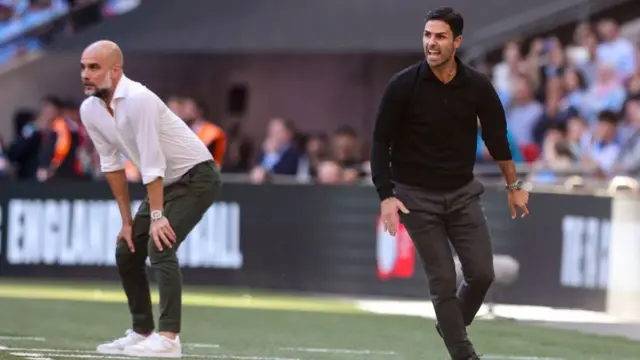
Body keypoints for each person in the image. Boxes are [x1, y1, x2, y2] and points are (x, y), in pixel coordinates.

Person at [369, 7, 529, 360]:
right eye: (427, 35)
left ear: (456, 41)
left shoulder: (476, 86)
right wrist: (386, 196)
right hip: (414, 197)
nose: (431, 43)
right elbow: (380, 141)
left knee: (482, 274)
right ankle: (463, 353)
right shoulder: (402, 85)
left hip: (462, 194)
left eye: (440, 36)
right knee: (441, 280)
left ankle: (450, 323)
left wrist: (514, 185)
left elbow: (497, 139)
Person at [79, 40, 222, 358]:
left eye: (94, 67)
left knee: (161, 244)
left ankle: (169, 339)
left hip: (196, 177)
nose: (86, 74)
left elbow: (153, 162)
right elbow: (112, 165)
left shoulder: (139, 100)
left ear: (116, 70)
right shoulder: (89, 110)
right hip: (164, 183)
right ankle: (142, 331)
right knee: (126, 249)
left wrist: (157, 218)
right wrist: (127, 222)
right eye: (83, 67)